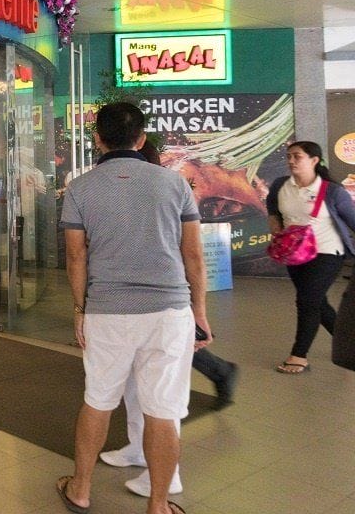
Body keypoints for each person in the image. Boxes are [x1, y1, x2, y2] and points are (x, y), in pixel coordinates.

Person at [57, 102, 209, 514]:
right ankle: (158, 505)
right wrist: (199, 313)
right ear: (141, 140)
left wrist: (79, 310)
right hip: (169, 312)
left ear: (98, 139)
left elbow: (76, 257)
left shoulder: (80, 189)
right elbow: (193, 255)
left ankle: (81, 489)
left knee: (98, 400)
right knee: (163, 410)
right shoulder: (174, 184)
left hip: (107, 311)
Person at [98, 140, 239, 499]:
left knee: (162, 397)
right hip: (130, 306)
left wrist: (198, 312)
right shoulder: (146, 190)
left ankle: (166, 474)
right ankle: (136, 448)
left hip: (166, 304)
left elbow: (192, 255)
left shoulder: (169, 189)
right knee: (135, 388)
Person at [266, 140, 355, 374]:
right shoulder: (280, 186)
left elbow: (353, 220)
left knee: (306, 301)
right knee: (317, 302)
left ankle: (299, 355)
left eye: (297, 156)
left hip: (327, 252)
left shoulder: (332, 191)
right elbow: (273, 209)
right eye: (289, 156)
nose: (291, 161)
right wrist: (275, 226)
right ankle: (349, 345)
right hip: (295, 254)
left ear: (314, 160)